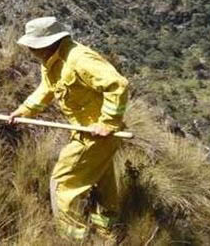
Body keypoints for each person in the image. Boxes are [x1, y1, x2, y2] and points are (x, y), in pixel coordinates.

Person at [9, 17, 129, 242]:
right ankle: (107, 233)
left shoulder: (78, 59)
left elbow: (118, 84)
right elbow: (47, 89)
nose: (30, 50)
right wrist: (24, 111)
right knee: (103, 180)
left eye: (33, 45)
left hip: (98, 135)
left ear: (47, 43)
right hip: (87, 132)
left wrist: (108, 122)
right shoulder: (51, 61)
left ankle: (74, 238)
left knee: (62, 183)